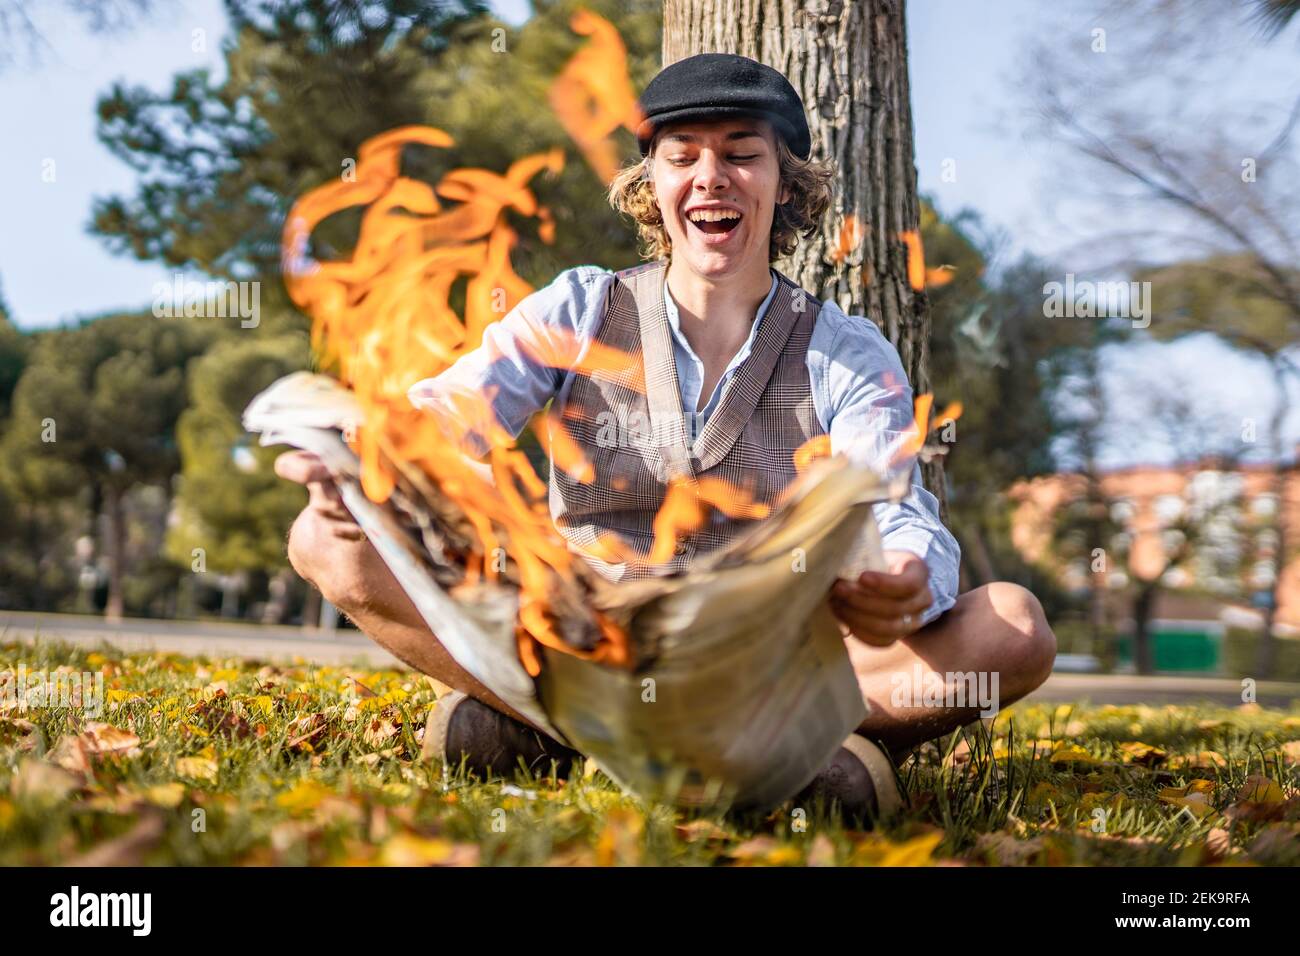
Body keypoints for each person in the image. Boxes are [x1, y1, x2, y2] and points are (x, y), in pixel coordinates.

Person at [275, 53, 1056, 821]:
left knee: (1012, 628)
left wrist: (905, 576)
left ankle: (564, 734)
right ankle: (761, 759)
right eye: (683, 157)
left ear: (786, 184)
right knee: (325, 540)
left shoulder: (845, 351)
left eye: (742, 155)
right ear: (652, 183)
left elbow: (893, 505)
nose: (711, 176)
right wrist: (366, 463)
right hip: (584, 642)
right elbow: (449, 415)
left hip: (771, 662)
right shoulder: (578, 310)